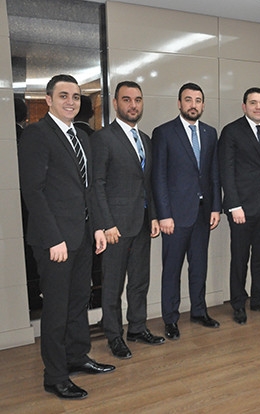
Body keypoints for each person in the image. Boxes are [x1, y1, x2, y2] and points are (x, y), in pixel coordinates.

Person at [17, 74, 115, 399]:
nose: (70, 102)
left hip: (82, 237)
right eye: (63, 96)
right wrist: (53, 239)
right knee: (57, 310)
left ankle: (77, 356)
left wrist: (97, 228)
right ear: (48, 100)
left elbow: (89, 190)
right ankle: (55, 376)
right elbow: (33, 192)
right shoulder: (37, 134)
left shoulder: (82, 137)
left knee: (78, 303)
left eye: (75, 96)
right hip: (55, 242)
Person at [92, 81, 164, 359]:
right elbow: (97, 184)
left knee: (139, 281)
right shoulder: (103, 138)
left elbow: (148, 184)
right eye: (126, 99)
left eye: (137, 100)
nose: (133, 105)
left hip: (143, 222)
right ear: (115, 103)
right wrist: (106, 223)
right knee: (112, 285)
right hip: (116, 227)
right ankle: (114, 336)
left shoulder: (145, 139)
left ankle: (137, 327)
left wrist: (153, 216)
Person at [151, 83, 222, 340]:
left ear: (203, 104)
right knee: (172, 269)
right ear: (179, 103)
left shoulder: (210, 133)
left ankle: (199, 311)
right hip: (175, 216)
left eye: (198, 100)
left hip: (203, 213)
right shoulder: (164, 132)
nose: (193, 104)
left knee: (199, 266)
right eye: (188, 99)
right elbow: (158, 176)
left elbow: (213, 173)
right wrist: (164, 214)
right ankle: (170, 319)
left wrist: (216, 207)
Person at [219, 87, 260, 325]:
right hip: (242, 208)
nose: (258, 107)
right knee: (239, 258)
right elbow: (226, 170)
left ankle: (259, 299)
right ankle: (238, 304)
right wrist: (233, 205)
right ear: (244, 106)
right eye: (253, 102)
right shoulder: (231, 131)